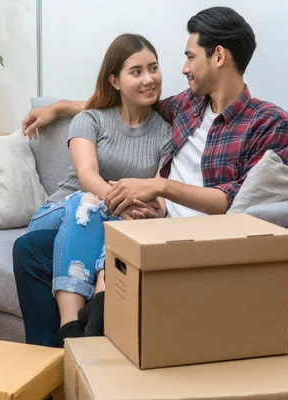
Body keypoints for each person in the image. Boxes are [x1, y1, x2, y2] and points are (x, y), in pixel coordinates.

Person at [14, 6, 288, 347]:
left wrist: (160, 186)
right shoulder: (186, 106)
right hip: (142, 221)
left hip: (179, 237)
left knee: (42, 249)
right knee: (30, 248)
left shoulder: (270, 124)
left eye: (190, 57)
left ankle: (80, 347)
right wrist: (58, 107)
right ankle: (50, 364)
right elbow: (124, 100)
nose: (183, 68)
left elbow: (239, 200)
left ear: (219, 56)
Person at [17, 33, 172, 348]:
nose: (149, 79)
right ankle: (75, 322)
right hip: (62, 212)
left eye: (153, 68)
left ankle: (62, 348)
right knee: (88, 201)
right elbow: (88, 175)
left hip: (113, 223)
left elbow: (159, 190)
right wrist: (123, 203)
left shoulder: (166, 132)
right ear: (114, 81)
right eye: (136, 71)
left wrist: (150, 207)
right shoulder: (90, 120)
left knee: (32, 249)